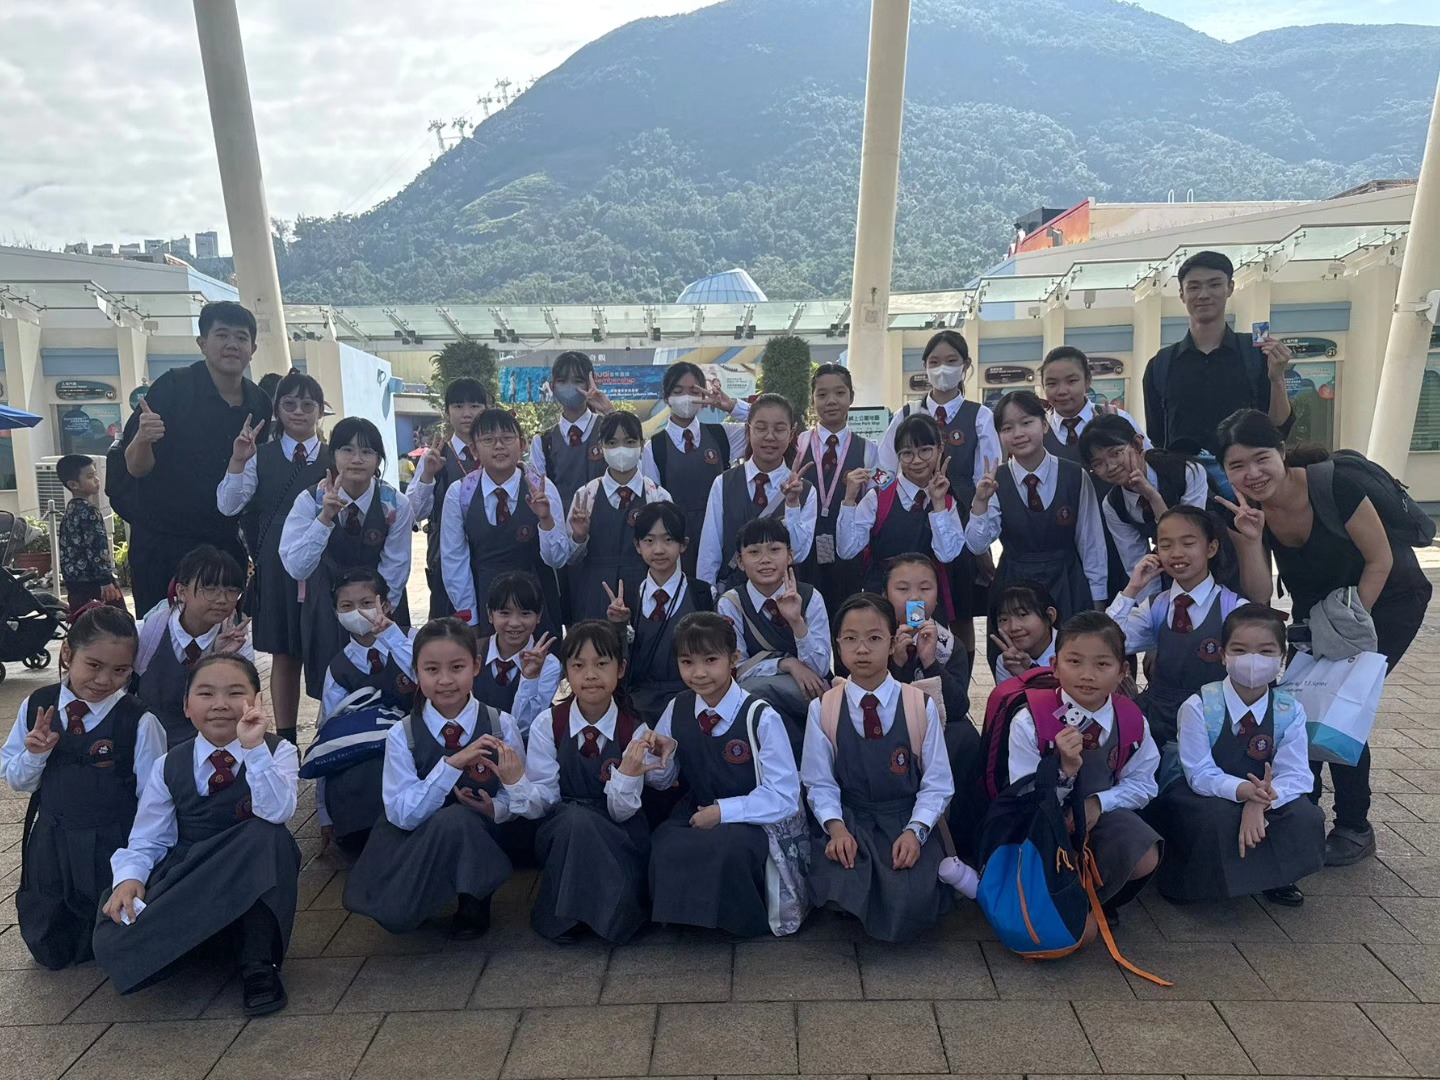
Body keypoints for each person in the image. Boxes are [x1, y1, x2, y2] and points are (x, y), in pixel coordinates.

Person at [1220, 409, 1433, 866]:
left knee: (1339, 704)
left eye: (1261, 459)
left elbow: (1379, 560)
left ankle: (1354, 826)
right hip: (1317, 609)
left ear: (1281, 452)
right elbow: (1259, 594)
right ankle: (1304, 812)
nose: (1252, 473)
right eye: (1237, 465)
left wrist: (1349, 629)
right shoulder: (1248, 509)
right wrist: (1250, 539)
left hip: (1387, 600)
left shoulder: (1336, 485)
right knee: (1300, 706)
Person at [93, 655, 300, 1016]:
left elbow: (278, 811)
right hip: (194, 873)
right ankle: (205, 941)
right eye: (206, 694)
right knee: (113, 939)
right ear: (187, 706)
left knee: (269, 835)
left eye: (235, 693)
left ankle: (257, 963)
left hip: (255, 871)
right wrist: (128, 880)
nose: (220, 704)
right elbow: (149, 838)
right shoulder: (169, 764)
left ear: (256, 701)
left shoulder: (277, 751)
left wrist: (254, 749)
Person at [343, 618, 531, 939]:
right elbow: (401, 814)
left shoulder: (500, 725)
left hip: (484, 834)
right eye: (431, 670)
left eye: (457, 667)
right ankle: (425, 891)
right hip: (418, 835)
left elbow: (519, 794)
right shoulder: (402, 734)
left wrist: (496, 809)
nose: (445, 680)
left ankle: (474, 895)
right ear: (415, 672)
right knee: (399, 910)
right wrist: (452, 765)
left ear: (475, 666)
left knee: (460, 820)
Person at [4, 607, 166, 969]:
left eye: (120, 670)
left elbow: (155, 800)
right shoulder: (37, 705)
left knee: (112, 940)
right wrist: (35, 755)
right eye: (93, 665)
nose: (104, 679)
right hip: (52, 841)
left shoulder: (137, 720)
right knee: (51, 947)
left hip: (110, 843)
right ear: (67, 653)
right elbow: (16, 779)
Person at [637, 612, 802, 939]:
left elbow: (784, 796)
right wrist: (657, 754)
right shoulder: (678, 707)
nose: (699, 673)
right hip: (697, 807)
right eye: (687, 662)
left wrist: (723, 812)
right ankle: (686, 921)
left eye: (710, 660)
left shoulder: (760, 716)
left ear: (733, 659)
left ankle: (735, 922)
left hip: (753, 817)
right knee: (666, 841)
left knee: (728, 847)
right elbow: (661, 780)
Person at [803, 594, 953, 941]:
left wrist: (916, 831)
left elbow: (938, 783)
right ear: (838, 645)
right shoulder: (823, 709)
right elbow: (819, 781)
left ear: (892, 643)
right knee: (840, 873)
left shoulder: (919, 705)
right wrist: (836, 828)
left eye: (874, 638)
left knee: (914, 890)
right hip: (853, 818)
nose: (862, 649)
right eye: (850, 638)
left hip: (903, 817)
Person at [1153, 603, 1325, 906]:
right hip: (1204, 791)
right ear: (1223, 655)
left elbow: (1296, 773)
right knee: (1215, 818)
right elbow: (1199, 773)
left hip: (1264, 791)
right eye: (1240, 650)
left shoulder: (1289, 710)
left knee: (1303, 815)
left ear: (1282, 657)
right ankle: (1193, 882)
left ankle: (1277, 877)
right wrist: (1244, 791)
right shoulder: (1199, 705)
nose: (1253, 660)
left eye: (1266, 651)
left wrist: (1261, 799)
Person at [116, 301, 273, 614]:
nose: (232, 345)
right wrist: (143, 438)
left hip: (222, 542)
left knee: (222, 632)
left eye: (241, 337)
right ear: (202, 343)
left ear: (252, 349)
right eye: (222, 335)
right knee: (160, 633)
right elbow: (135, 467)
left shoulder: (259, 402)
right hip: (163, 543)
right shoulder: (173, 387)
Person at [1006, 611, 1162, 921]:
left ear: (1123, 672)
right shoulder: (1031, 720)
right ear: (1055, 665)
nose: (1087, 675)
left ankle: (1101, 901)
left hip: (1099, 818)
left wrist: (1099, 802)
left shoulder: (1132, 721)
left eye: (1102, 664)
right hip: (1040, 824)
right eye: (1074, 662)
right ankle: (1053, 899)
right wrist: (1063, 772)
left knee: (1144, 852)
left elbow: (1144, 783)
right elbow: (1022, 794)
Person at [513, 621, 653, 944]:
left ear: (621, 669)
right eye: (578, 666)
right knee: (575, 822)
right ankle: (575, 918)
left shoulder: (634, 729)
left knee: (585, 825)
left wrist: (628, 773)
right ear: (566, 672)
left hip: (620, 829)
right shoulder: (548, 723)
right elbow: (546, 799)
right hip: (563, 826)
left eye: (602, 664)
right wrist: (515, 783)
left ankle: (601, 915)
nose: (590, 675)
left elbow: (622, 811)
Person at [216, 369, 329, 744]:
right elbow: (229, 505)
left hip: (326, 567)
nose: (299, 412)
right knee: (284, 653)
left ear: (320, 411)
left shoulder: (337, 456)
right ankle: (286, 738)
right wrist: (237, 461)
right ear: (277, 409)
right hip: (277, 566)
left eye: (308, 405)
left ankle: (329, 733)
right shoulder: (257, 454)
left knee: (330, 649)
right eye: (290, 403)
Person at [879, 331, 1002, 659]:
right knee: (911, 602)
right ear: (924, 366)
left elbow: (987, 475)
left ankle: (956, 674)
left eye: (951, 361)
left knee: (958, 610)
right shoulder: (906, 413)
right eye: (934, 362)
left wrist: (982, 535)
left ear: (966, 366)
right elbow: (885, 470)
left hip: (957, 519)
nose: (942, 369)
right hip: (910, 515)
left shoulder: (980, 416)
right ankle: (911, 666)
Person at [966, 391, 1107, 667]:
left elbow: (1092, 545)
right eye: (1007, 428)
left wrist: (1097, 604)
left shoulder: (1074, 476)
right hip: (1013, 586)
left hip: (1067, 581)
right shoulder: (995, 480)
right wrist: (980, 502)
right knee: (1012, 664)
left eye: (1026, 422)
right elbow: (977, 544)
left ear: (1044, 424)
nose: (1018, 433)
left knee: (1071, 661)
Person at [279, 417, 413, 701]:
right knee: (332, 687)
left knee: (395, 683)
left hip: (381, 606)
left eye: (367, 451)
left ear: (379, 459)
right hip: (327, 605)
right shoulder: (310, 501)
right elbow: (297, 567)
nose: (357, 459)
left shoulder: (395, 504)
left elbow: (396, 567)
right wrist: (325, 518)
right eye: (347, 450)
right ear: (333, 455)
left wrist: (375, 613)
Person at [1108, 507, 1247, 751]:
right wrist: (1132, 588)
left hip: (1213, 726)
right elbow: (1107, 641)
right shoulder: (1156, 607)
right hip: (1159, 727)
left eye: (1188, 543)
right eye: (1165, 545)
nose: (1176, 553)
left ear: (1211, 548)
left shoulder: (1233, 608)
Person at [1141, 251, 1293, 462]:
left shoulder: (1257, 354)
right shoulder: (1160, 364)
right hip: (1184, 477)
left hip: (1246, 475)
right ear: (1182, 294)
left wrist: (1277, 379)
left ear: (1230, 288)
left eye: (1214, 285)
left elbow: (1278, 427)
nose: (1203, 295)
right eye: (1193, 287)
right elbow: (1157, 435)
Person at [439, 408, 568, 638]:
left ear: (522, 444)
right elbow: (454, 561)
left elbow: (557, 559)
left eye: (507, 438)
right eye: (488, 440)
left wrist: (545, 520)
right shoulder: (460, 493)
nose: (499, 446)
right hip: (483, 597)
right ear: (474, 449)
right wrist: (471, 619)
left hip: (537, 599)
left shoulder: (542, 488)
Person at [314, 567, 417, 854]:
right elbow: (328, 737)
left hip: (418, 743)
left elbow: (428, 678)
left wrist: (392, 638)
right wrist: (323, 812)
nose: (357, 612)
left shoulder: (414, 639)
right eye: (347, 606)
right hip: (367, 754)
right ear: (336, 613)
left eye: (367, 603)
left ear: (385, 604)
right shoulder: (338, 668)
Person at [716, 518, 831, 750]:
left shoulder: (810, 597)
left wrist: (797, 622)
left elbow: (819, 669)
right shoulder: (731, 603)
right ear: (740, 562)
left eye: (775, 550)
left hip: (808, 694)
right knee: (750, 695)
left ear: (789, 556)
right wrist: (786, 664)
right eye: (754, 552)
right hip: (758, 696)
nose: (765, 559)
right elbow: (737, 669)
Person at [837, 411, 966, 616]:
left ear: (940, 449)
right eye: (907, 453)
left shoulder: (947, 501)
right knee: (887, 637)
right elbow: (847, 550)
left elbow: (947, 554)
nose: (916, 460)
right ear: (897, 456)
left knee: (922, 637)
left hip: (925, 600)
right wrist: (849, 500)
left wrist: (938, 503)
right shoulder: (878, 497)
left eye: (925, 451)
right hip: (882, 601)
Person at [641, 361, 752, 596]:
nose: (686, 397)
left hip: (720, 536)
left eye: (694, 391)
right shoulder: (655, 448)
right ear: (666, 397)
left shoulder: (722, 435)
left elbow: (766, 423)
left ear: (704, 395)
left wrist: (731, 406)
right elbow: (654, 506)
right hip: (677, 543)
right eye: (678, 391)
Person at [696, 393, 818, 595]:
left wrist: (792, 505)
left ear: (791, 433)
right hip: (733, 599)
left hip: (786, 599)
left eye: (779, 429)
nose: (770, 436)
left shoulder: (806, 491)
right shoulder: (723, 483)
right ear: (748, 430)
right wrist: (707, 596)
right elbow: (710, 551)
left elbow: (798, 554)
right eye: (761, 428)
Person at [134, 545, 254, 749]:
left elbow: (243, 703)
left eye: (232, 591)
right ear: (182, 592)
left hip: (210, 744)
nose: (222, 599)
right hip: (146, 741)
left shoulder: (238, 641)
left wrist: (220, 659)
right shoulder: (147, 632)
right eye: (210, 589)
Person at [561, 410, 673, 623]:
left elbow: (671, 554)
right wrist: (579, 537)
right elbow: (569, 558)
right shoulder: (586, 496)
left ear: (641, 445)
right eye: (612, 443)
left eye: (629, 442)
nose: (621, 449)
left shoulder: (658, 496)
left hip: (646, 589)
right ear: (601, 447)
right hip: (596, 590)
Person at [1078, 414, 1211, 591]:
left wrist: (1152, 496)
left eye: (1116, 453)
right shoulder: (1113, 505)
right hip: (1168, 575)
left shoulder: (1187, 472)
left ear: (1137, 444)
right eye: (1098, 463)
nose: (1110, 467)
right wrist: (1154, 604)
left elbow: (1188, 538)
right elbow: (1135, 562)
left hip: (1212, 566)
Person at [606, 501, 702, 724]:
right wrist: (618, 626)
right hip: (637, 707)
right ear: (637, 546)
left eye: (668, 540)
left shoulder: (703, 595)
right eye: (649, 541)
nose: (658, 550)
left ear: (683, 544)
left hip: (692, 702)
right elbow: (617, 661)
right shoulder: (626, 599)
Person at [794, 364, 878, 612]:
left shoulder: (868, 450)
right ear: (812, 400)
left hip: (848, 553)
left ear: (851, 397)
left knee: (846, 615)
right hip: (803, 550)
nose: (831, 401)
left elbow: (874, 503)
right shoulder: (798, 444)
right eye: (822, 394)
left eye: (840, 393)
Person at [405, 377, 489, 618]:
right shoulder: (435, 456)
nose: (467, 413)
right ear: (446, 411)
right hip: (445, 562)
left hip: (490, 558)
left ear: (486, 408)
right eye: (458, 406)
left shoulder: (496, 452)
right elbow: (412, 513)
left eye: (475, 406)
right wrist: (428, 476)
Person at [883, 553, 969, 725]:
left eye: (925, 589)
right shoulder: (875, 640)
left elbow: (958, 708)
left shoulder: (950, 645)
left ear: (937, 598)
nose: (914, 598)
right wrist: (896, 664)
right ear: (885, 596)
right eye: (903, 589)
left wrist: (930, 663)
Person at [475, 571, 562, 735]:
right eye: (504, 613)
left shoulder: (549, 664)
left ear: (539, 615)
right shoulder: (473, 653)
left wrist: (530, 677)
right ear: (490, 614)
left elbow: (526, 729)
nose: (514, 623)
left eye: (525, 613)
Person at [529, 351, 615, 514]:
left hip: (604, 520)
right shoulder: (542, 442)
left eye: (578, 381)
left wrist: (610, 412)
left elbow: (631, 468)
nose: (570, 387)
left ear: (591, 384)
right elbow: (538, 491)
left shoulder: (609, 430)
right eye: (562, 381)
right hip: (558, 522)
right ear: (552, 386)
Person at [1040, 346, 1148, 457]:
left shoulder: (1118, 418)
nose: (1062, 391)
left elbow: (1148, 461)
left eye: (1071, 381)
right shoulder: (1039, 429)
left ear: (1087, 381)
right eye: (1052, 383)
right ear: (1043, 385)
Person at [57, 455, 125, 616]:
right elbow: (96, 547)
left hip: (74, 582)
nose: (97, 480)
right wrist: (105, 580)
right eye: (90, 476)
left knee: (83, 622)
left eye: (95, 474)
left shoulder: (70, 510)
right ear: (73, 484)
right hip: (96, 582)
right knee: (118, 620)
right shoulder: (90, 511)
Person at [990, 580, 1060, 685]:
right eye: (1003, 619)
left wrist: (1030, 672)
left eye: (1022, 615)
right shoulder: (1007, 661)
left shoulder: (1072, 651)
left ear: (1050, 616)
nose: (1013, 627)